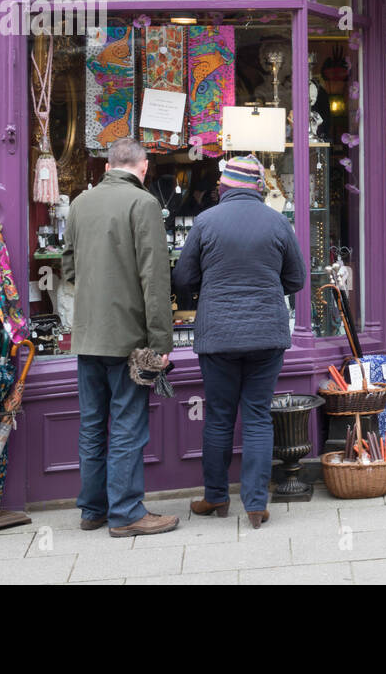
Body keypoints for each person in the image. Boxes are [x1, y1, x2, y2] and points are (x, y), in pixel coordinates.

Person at [173, 155, 306, 528]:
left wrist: (212, 288)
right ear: (258, 188)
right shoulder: (278, 222)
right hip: (266, 334)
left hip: (219, 336)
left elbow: (182, 278)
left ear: (225, 186)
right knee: (258, 417)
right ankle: (255, 504)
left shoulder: (206, 221)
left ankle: (216, 497)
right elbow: (296, 280)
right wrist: (264, 287)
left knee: (218, 417)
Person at [61, 137, 180, 536]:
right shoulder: (143, 203)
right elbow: (155, 279)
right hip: (129, 338)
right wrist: (161, 344)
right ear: (143, 167)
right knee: (128, 424)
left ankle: (93, 509)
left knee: (93, 425)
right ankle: (127, 513)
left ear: (110, 165)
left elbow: (68, 267)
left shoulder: (80, 203)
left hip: (88, 335)